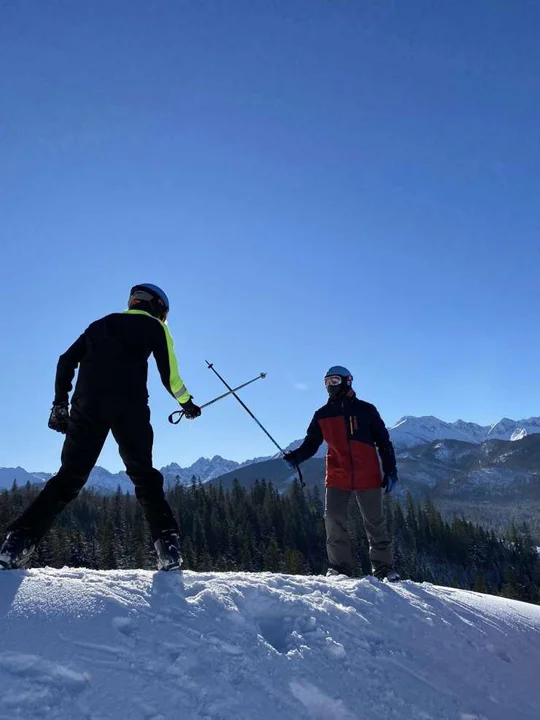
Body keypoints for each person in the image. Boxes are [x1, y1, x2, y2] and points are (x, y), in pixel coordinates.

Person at [0, 283, 201, 572]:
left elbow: (65, 361)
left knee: (68, 478)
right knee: (143, 476)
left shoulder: (99, 324)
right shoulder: (155, 327)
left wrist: (60, 404)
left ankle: (16, 544)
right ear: (157, 307)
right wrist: (187, 403)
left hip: (87, 405)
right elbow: (169, 377)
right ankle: (168, 550)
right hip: (129, 405)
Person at [284, 366, 400, 581]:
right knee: (333, 519)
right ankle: (339, 569)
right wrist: (297, 456)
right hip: (337, 474)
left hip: (368, 474)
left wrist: (390, 470)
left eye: (334, 380)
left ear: (348, 381)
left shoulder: (367, 410)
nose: (330, 386)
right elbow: (311, 444)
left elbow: (384, 442)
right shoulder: (322, 414)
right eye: (326, 382)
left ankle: (384, 569)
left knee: (375, 522)